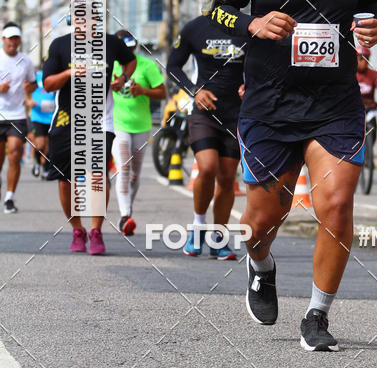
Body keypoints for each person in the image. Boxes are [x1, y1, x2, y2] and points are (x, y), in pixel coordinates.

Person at [210, 0, 377, 351]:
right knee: (263, 219)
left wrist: (373, 27)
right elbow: (217, 10)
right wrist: (253, 25)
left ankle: (317, 315)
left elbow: (373, 11)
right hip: (269, 101)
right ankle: (261, 267)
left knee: (336, 203)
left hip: (335, 103)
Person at [43, 21, 136, 254]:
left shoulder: (110, 42)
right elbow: (47, 84)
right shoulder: (60, 45)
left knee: (97, 174)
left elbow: (130, 60)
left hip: (99, 121)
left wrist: (123, 78)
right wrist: (68, 72)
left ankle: (96, 231)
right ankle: (77, 230)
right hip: (66, 120)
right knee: (66, 180)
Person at [167, 14, 245, 260]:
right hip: (204, 113)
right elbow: (172, 66)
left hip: (236, 115)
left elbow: (263, 64)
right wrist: (194, 90)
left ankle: (219, 239)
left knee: (226, 177)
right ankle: (199, 226)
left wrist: (252, 85)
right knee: (208, 166)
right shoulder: (195, 28)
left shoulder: (248, 26)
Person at [112, 30, 166, 236]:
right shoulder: (111, 65)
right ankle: (125, 216)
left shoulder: (147, 65)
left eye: (132, 46)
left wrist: (142, 91)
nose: (129, 50)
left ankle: (128, 208)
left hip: (142, 126)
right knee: (124, 168)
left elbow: (162, 92)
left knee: (134, 174)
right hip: (118, 124)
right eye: (124, 47)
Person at [0, 22, 36, 212]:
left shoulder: (26, 61)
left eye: (16, 38)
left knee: (14, 154)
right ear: (3, 39)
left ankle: (9, 197)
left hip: (17, 115)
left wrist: (29, 88)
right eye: (10, 38)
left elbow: (33, 83)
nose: (13, 42)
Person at [28, 70, 56, 178]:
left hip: (51, 116)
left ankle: (45, 168)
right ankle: (37, 163)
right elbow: (25, 88)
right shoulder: (36, 76)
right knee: (40, 144)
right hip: (38, 116)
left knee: (48, 145)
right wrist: (27, 100)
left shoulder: (56, 75)